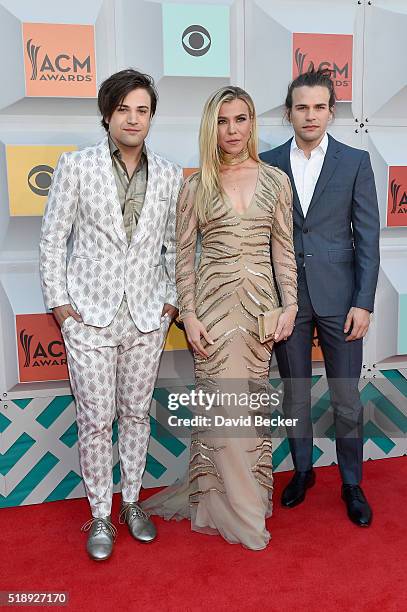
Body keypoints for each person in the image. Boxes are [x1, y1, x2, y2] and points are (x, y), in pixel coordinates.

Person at [142, 86, 298, 550]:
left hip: (259, 317)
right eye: (224, 121)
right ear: (212, 126)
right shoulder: (195, 186)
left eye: (242, 119)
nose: (233, 130)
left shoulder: (276, 182)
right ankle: (241, 514)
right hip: (211, 313)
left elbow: (283, 250)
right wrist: (187, 315)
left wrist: (290, 306)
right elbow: (183, 257)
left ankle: (237, 499)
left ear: (252, 123)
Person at [39, 69, 183, 560]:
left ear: (151, 118)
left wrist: (171, 303)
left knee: (137, 415)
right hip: (90, 316)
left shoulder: (167, 173)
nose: (133, 118)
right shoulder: (76, 166)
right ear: (107, 114)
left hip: (146, 317)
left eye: (142, 110)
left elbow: (175, 248)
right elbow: (53, 239)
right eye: (124, 108)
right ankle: (100, 514)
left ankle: (132, 502)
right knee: (97, 419)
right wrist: (62, 308)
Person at [260, 68, 380, 526]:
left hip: (343, 299)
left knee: (346, 398)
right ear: (289, 112)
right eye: (301, 107)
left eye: (318, 107)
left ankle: (352, 482)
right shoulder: (267, 162)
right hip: (288, 300)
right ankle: (303, 471)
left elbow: (367, 236)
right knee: (294, 395)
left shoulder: (354, 162)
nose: (310, 115)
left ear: (332, 111)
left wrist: (364, 302)